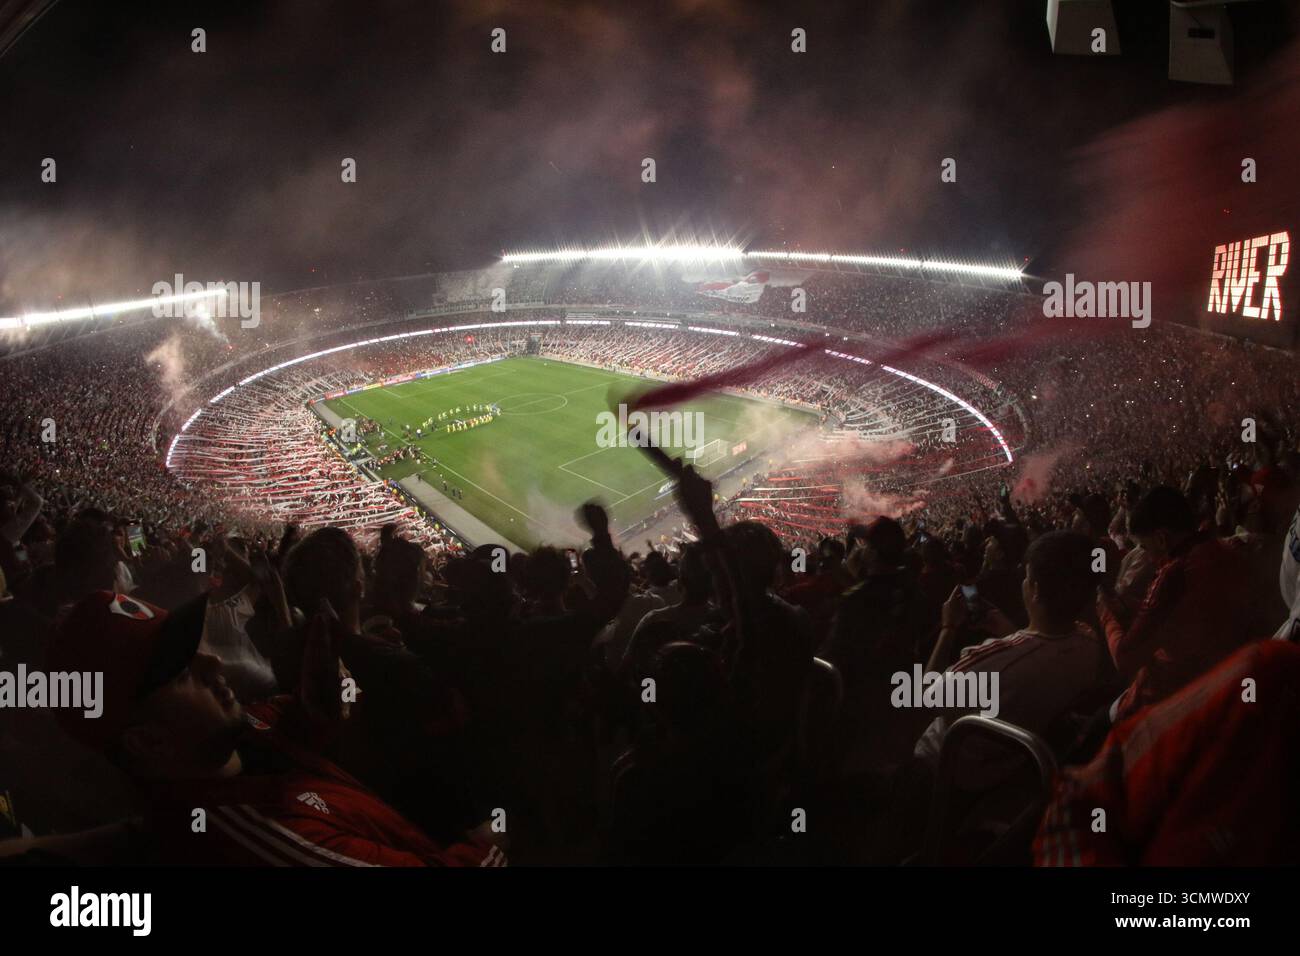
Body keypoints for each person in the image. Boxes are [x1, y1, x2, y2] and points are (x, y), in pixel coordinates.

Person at [47, 590, 504, 866]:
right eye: (182, 671)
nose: (212, 661)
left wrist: (321, 703)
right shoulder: (250, 839)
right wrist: (503, 833)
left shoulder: (238, 733)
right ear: (146, 741)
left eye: (195, 648)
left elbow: (291, 730)